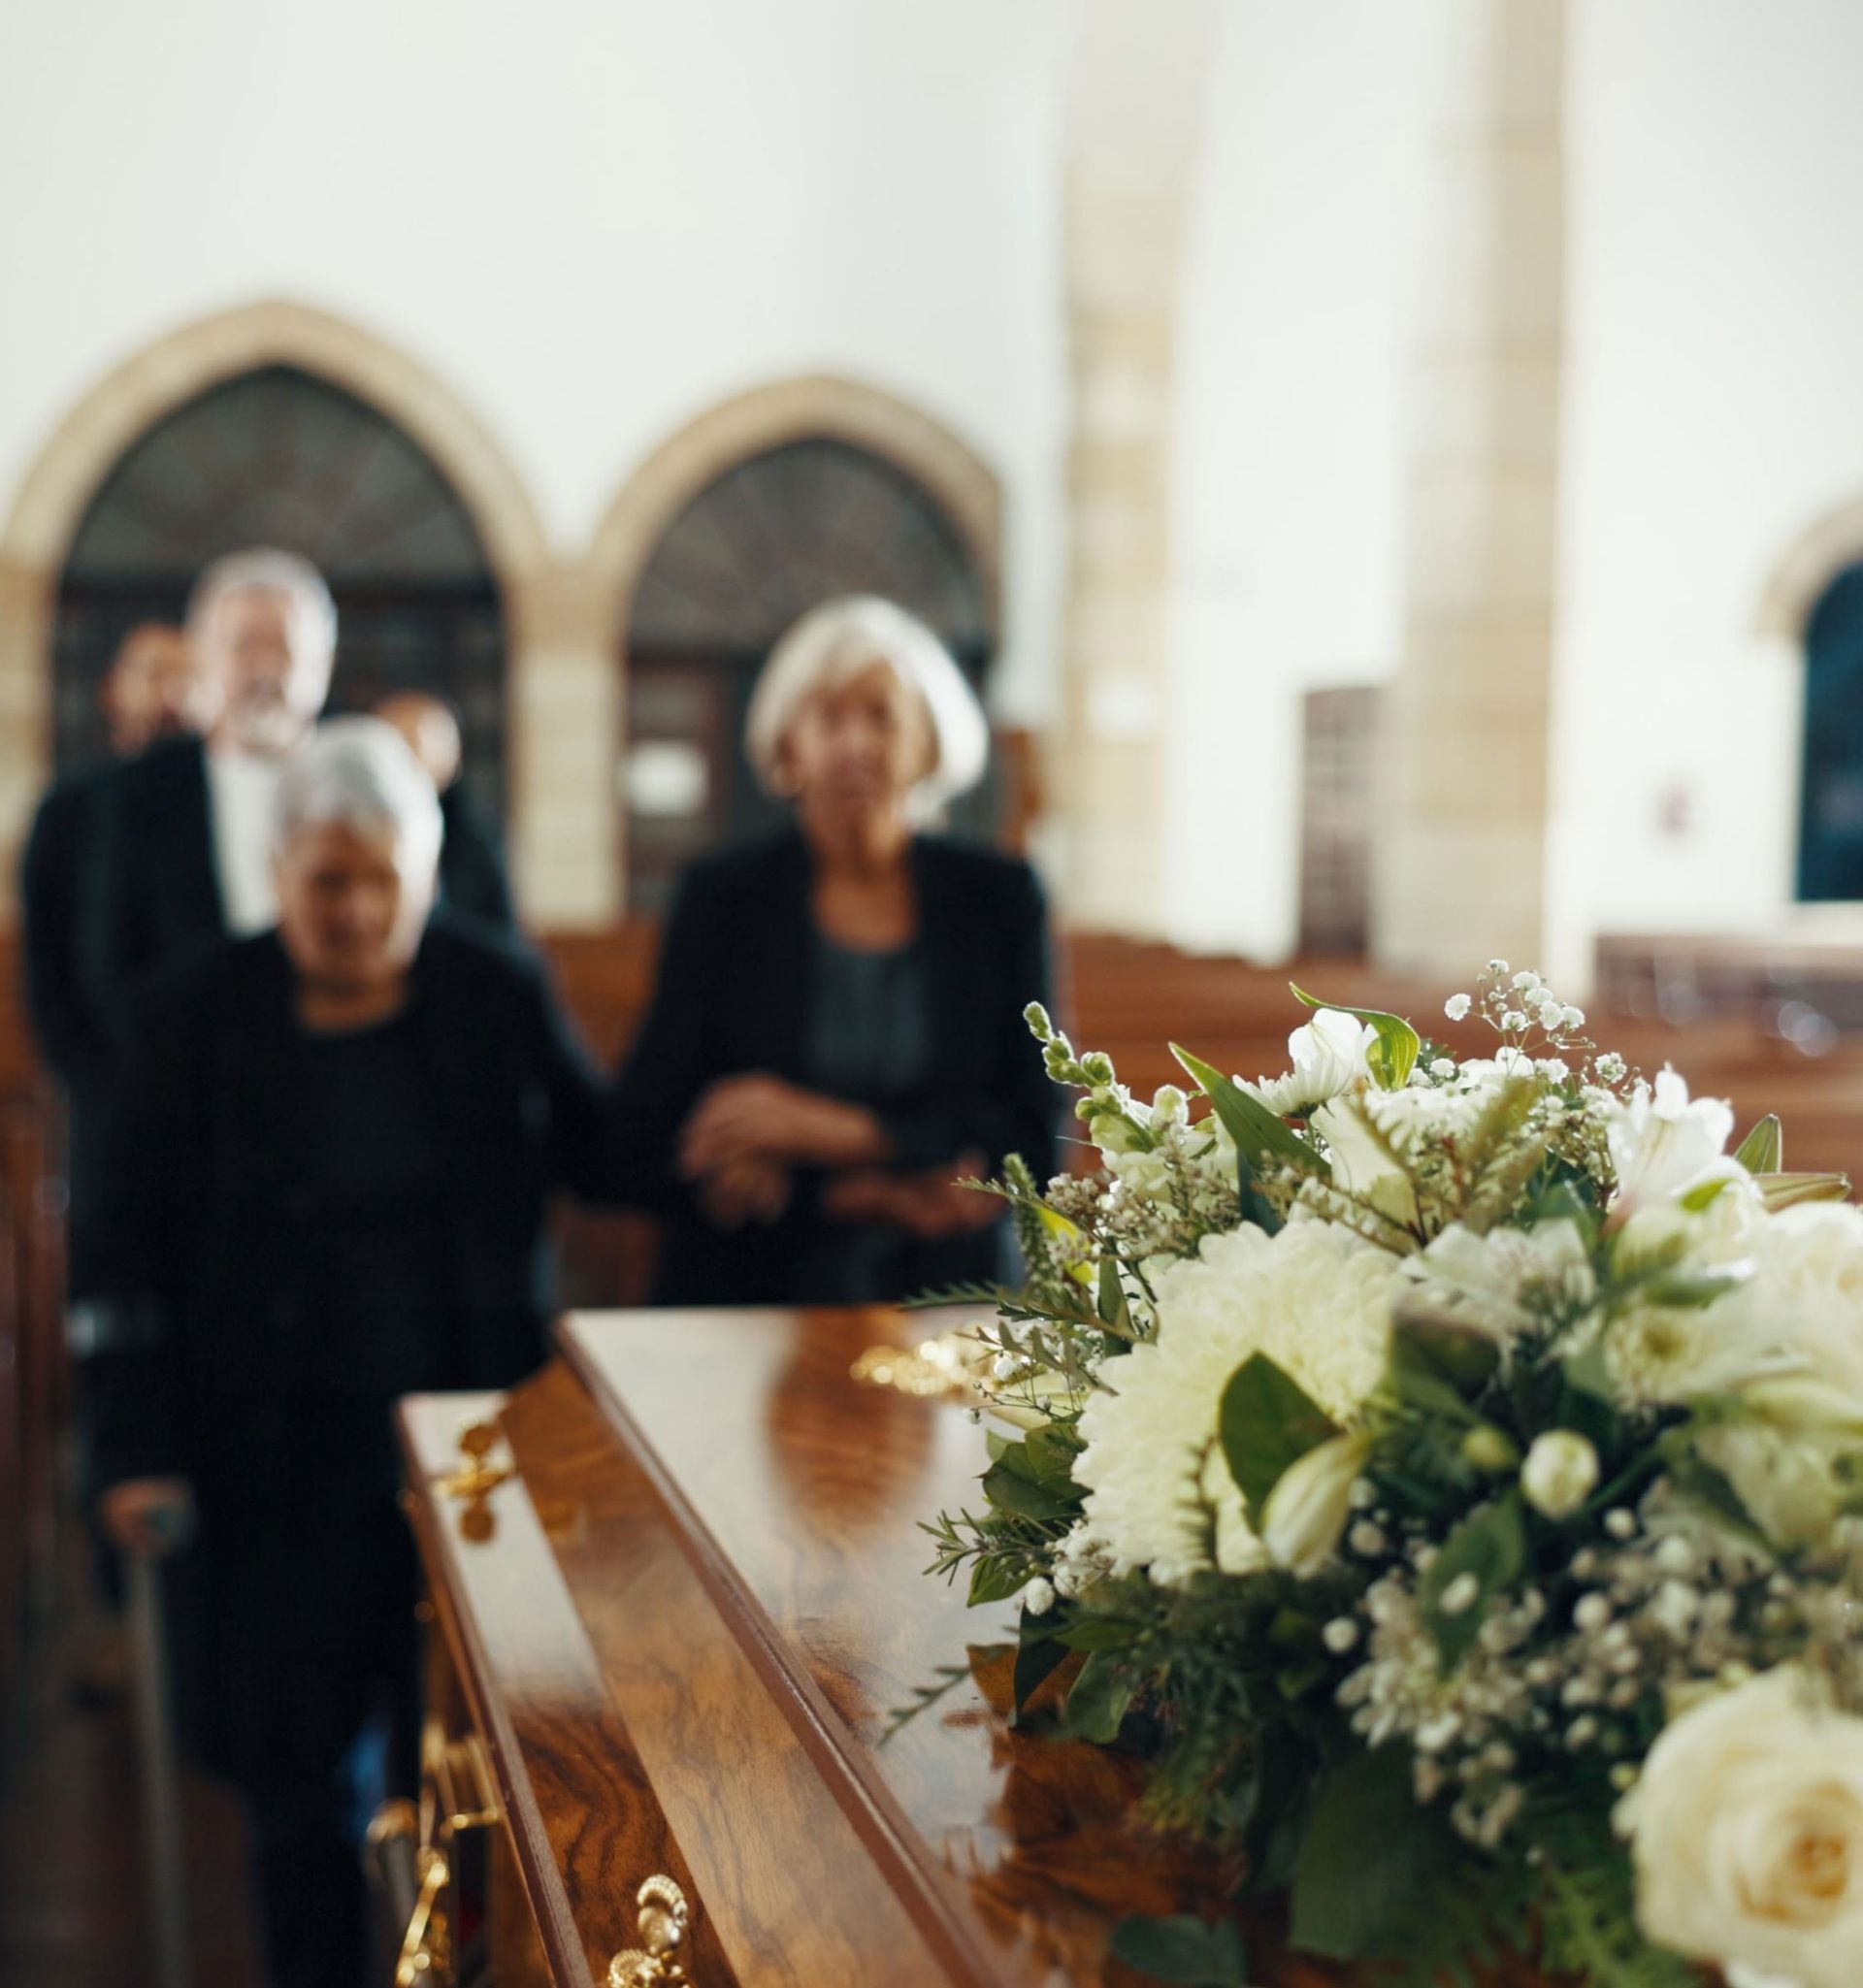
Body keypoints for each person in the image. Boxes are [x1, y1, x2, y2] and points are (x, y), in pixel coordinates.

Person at [91, 719, 619, 1988]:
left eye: (387, 877)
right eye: (329, 879)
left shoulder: (491, 986)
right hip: (270, 1448)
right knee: (297, 1777)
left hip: (469, 1454)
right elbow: (122, 1256)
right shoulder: (188, 1014)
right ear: (277, 872)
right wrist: (134, 1450)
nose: (359, 907)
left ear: (429, 871)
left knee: (467, 1771)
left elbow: (609, 1147)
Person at [612, 594, 1058, 1306]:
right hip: (755, 1283)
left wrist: (820, 1131)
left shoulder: (998, 899)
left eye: (881, 715)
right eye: (829, 717)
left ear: (927, 744)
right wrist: (868, 1190)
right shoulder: (721, 897)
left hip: (954, 1288)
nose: (855, 743)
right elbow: (646, 1132)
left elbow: (1033, 1136)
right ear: (788, 747)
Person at [20, 623, 218, 1297]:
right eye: (153, 673)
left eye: (188, 676)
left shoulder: (221, 799)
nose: (172, 693)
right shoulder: (72, 806)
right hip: (111, 1093)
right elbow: (48, 967)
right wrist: (93, 1075)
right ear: (113, 691)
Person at [91, 548, 338, 1007]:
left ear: (323, 663)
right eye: (245, 645)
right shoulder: (141, 795)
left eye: (283, 646)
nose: (265, 669)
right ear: (204, 657)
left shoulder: (361, 777)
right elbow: (108, 963)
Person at [374, 689, 517, 929]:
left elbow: (500, 930)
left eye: (415, 748)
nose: (407, 765)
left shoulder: (475, 840)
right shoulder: (343, 829)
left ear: (452, 760)